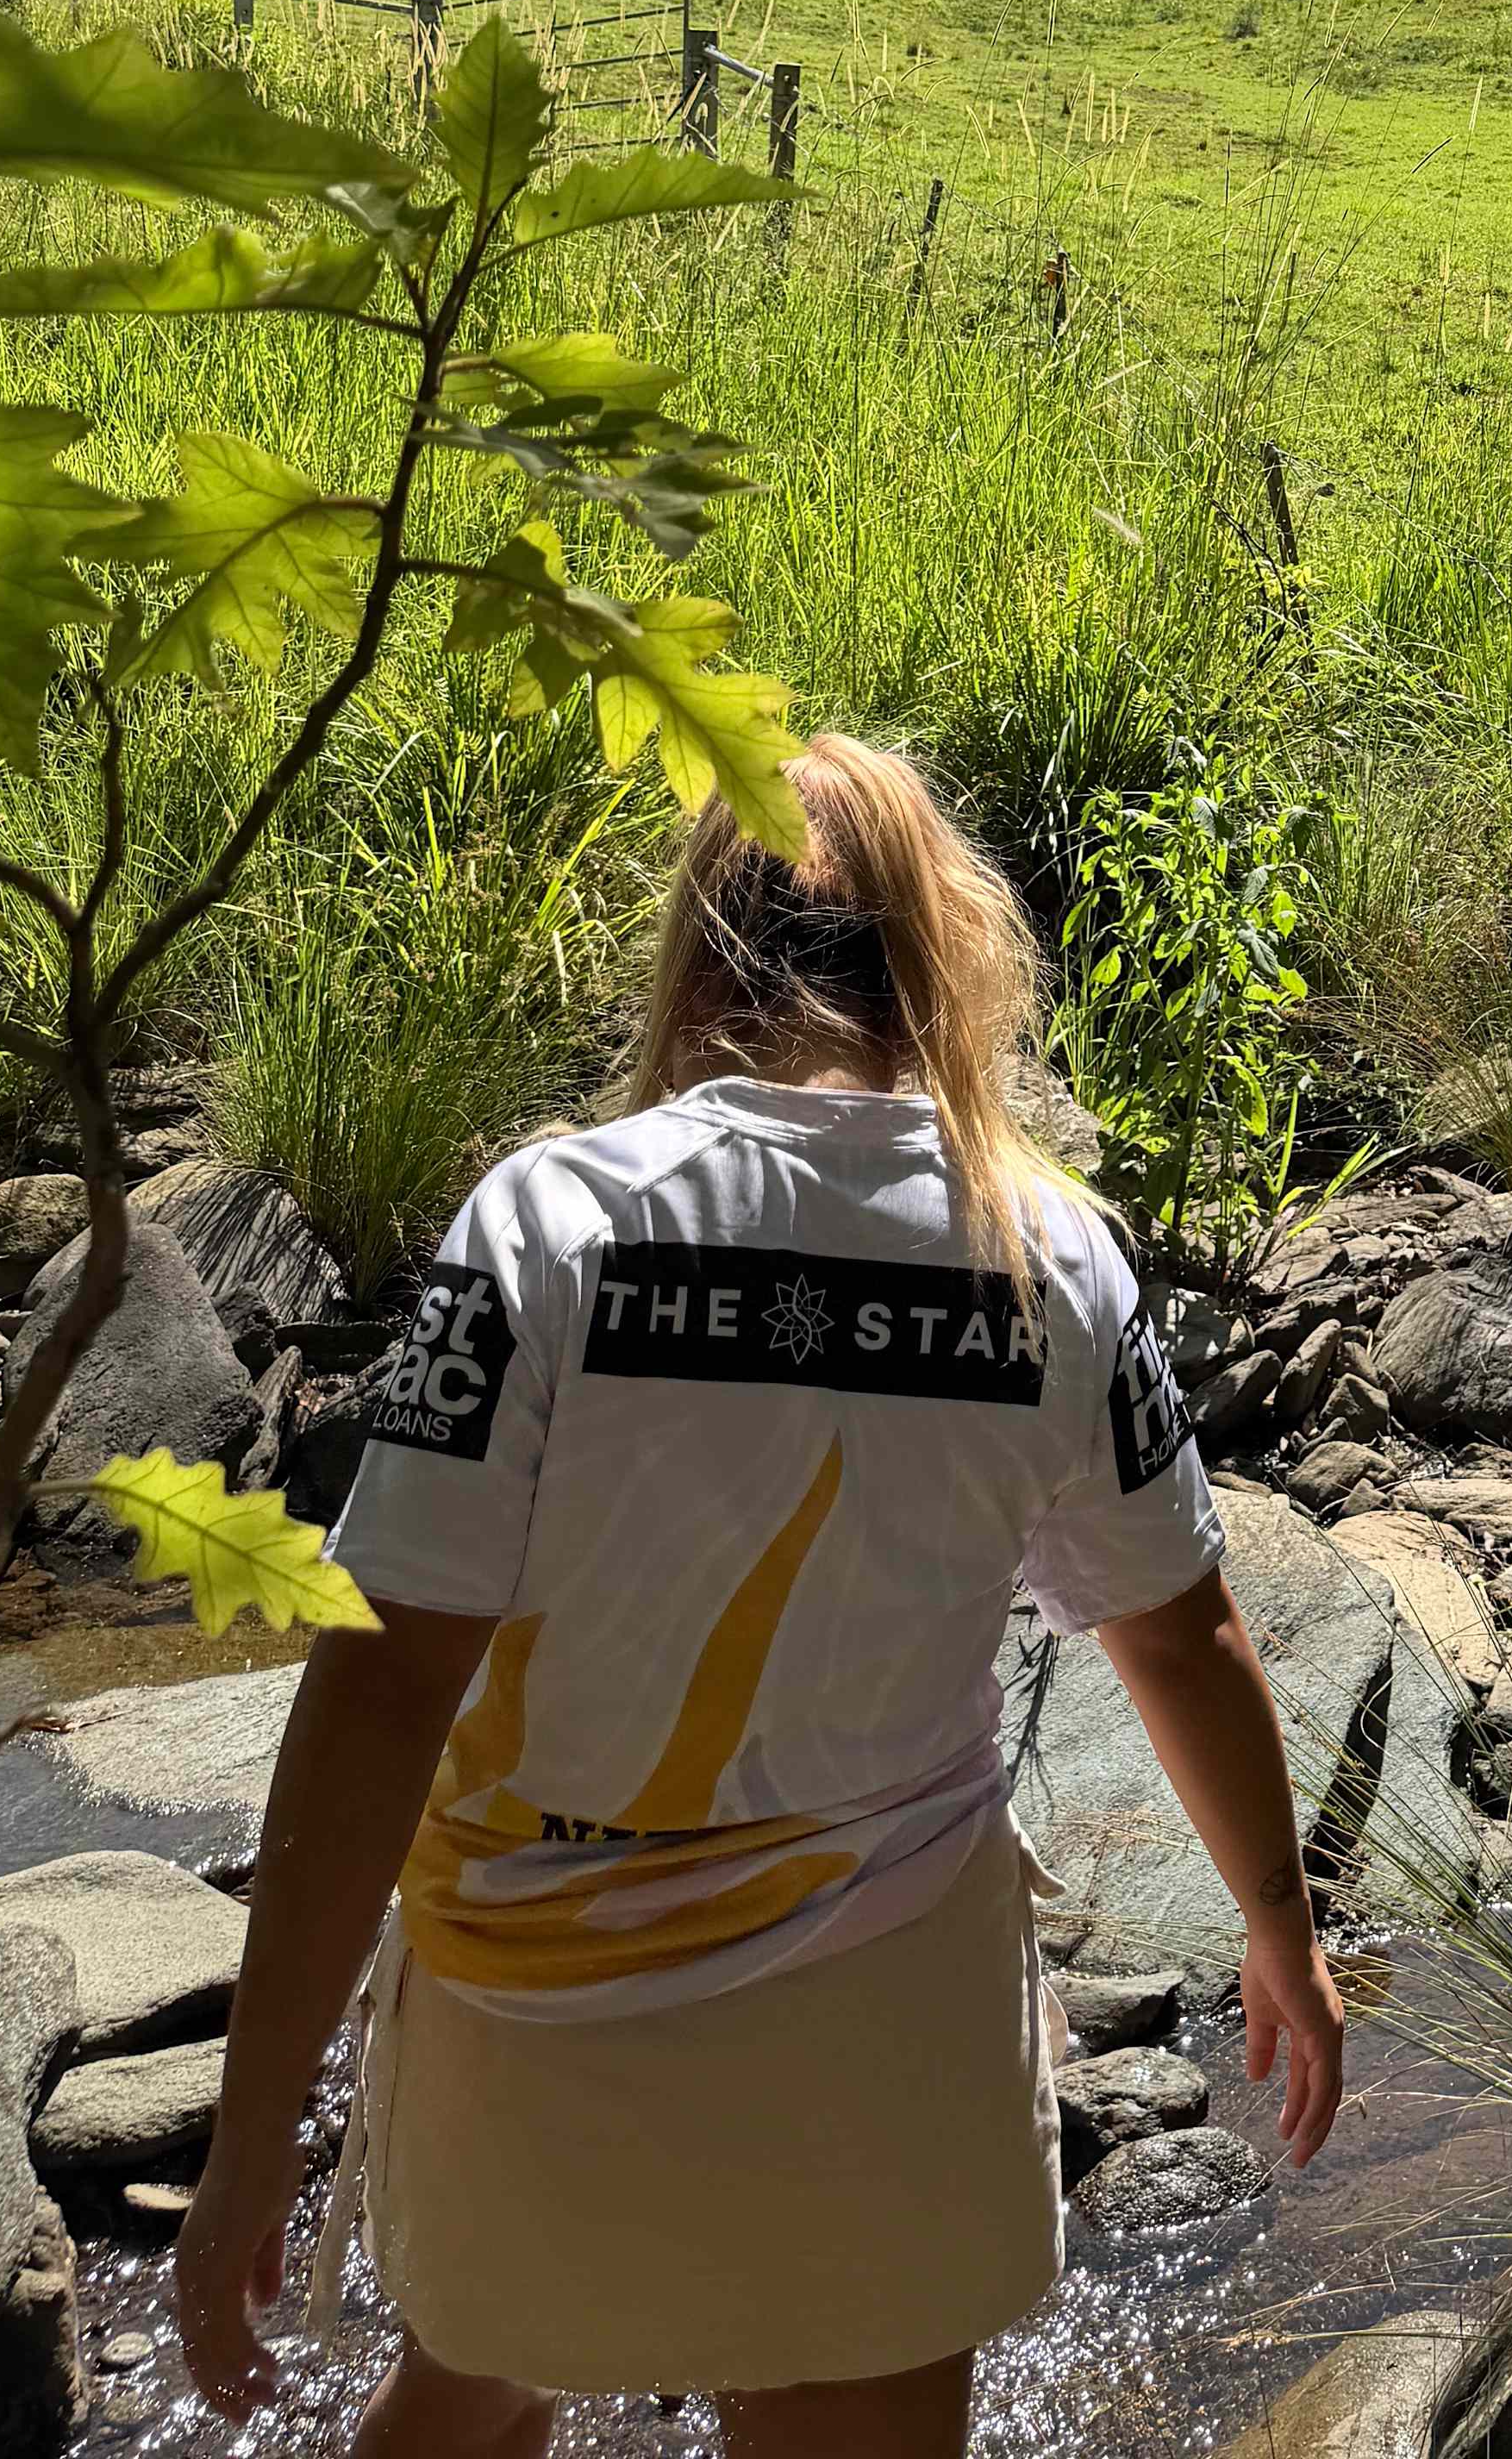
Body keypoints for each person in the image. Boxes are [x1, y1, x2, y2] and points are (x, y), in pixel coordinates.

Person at [174, 735, 1345, 2459]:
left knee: (482, 2390)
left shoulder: (545, 1223)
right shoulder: (1049, 1253)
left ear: (702, 957)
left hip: (537, 1990)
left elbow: (380, 1683)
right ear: (938, 960)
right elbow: (1175, 1630)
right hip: (886, 2010)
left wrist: (254, 2122)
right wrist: (1280, 1924)